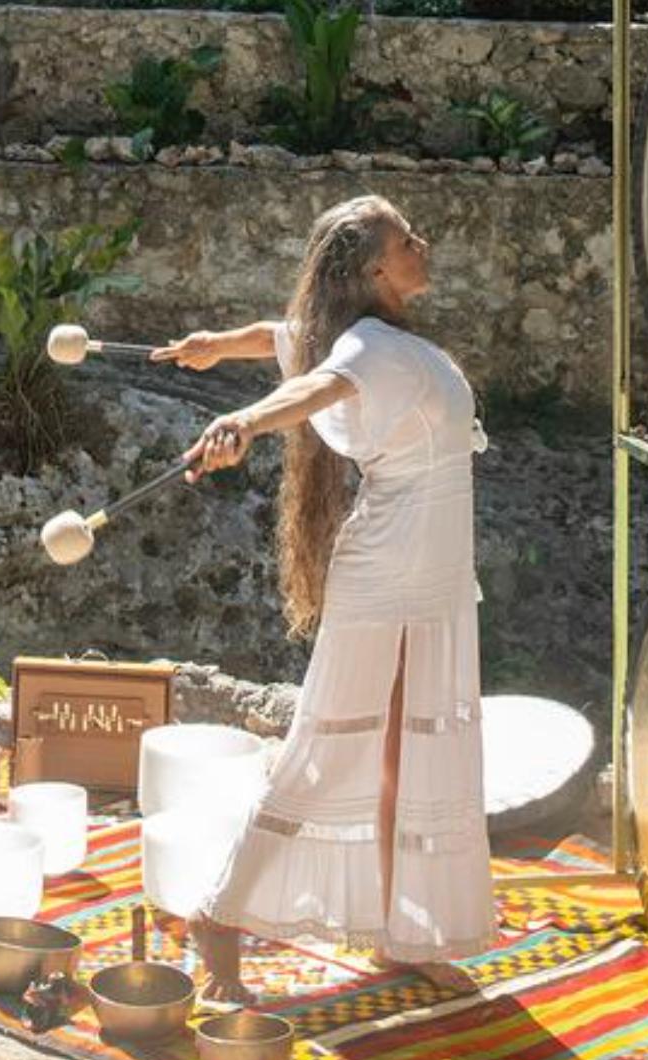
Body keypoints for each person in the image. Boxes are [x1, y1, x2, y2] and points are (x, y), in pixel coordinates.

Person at [153, 194, 493, 1004]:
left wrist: (217, 346)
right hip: (389, 572)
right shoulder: (370, 348)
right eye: (409, 238)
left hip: (432, 574)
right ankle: (221, 918)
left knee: (401, 759)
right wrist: (243, 419)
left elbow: (285, 342)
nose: (424, 242)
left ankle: (400, 930)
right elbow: (306, 391)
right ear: (378, 271)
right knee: (329, 747)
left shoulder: (370, 339)